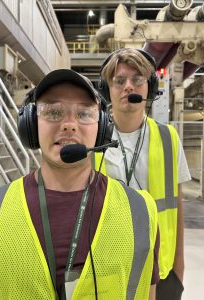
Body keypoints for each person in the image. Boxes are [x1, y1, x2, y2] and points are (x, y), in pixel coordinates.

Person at [0, 69, 159, 299]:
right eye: (53, 112)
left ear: (102, 127)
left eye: (84, 113)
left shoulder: (141, 211)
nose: (69, 125)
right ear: (31, 125)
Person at [96, 48, 191, 300]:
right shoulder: (92, 139)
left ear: (149, 87)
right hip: (108, 267)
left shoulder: (168, 138)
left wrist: (179, 268)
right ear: (107, 89)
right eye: (119, 81)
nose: (129, 86)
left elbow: (177, 205)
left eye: (137, 79)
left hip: (161, 267)